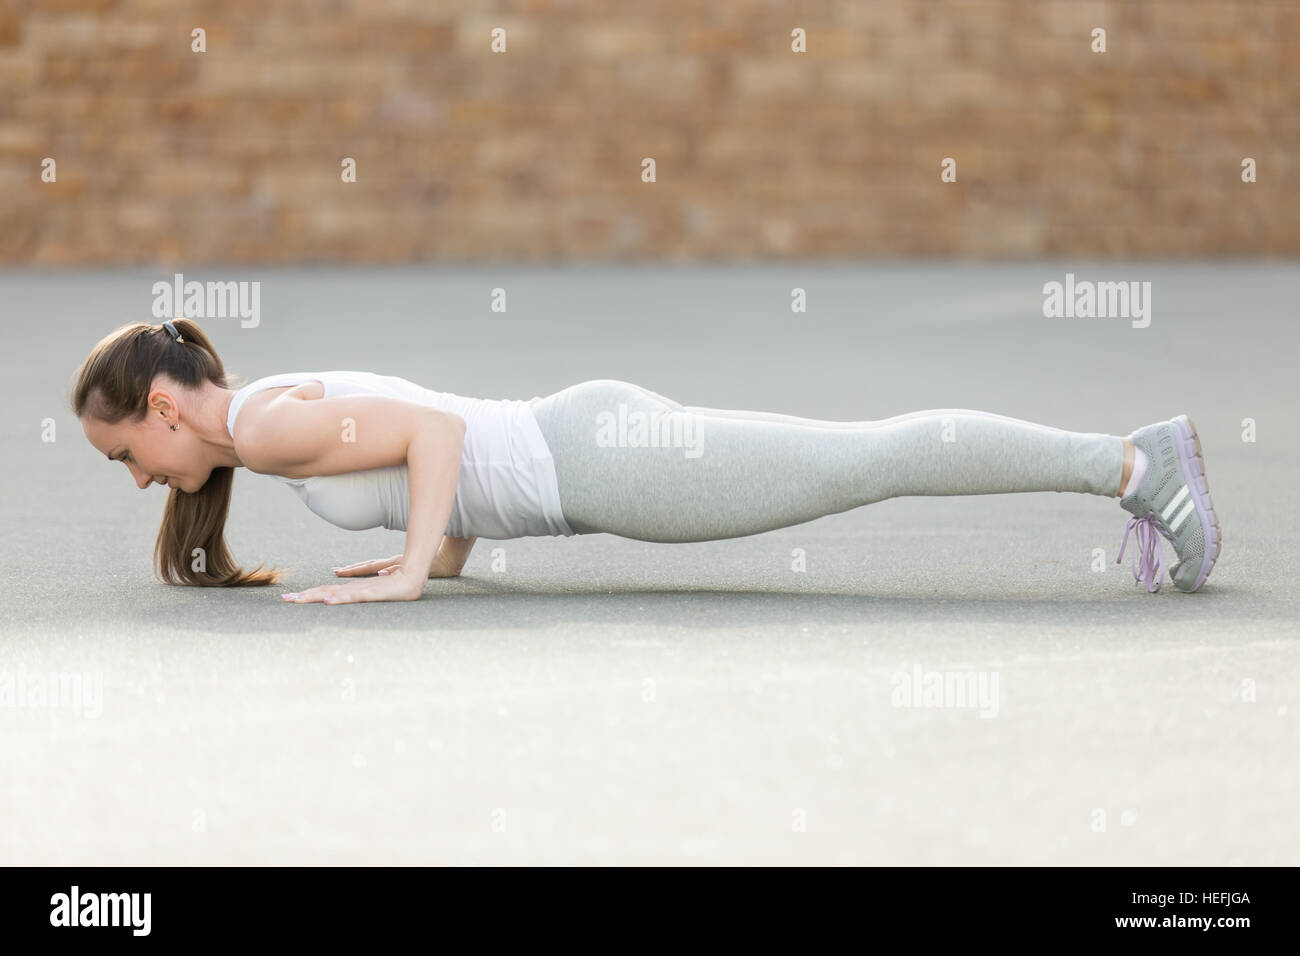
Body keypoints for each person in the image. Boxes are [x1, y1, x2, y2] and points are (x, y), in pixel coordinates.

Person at [71, 319, 1221, 605]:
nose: (133, 478)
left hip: (599, 463)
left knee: (867, 459)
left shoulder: (266, 427)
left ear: (164, 408)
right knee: (861, 459)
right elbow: (440, 427)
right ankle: (1128, 463)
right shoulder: (271, 416)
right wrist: (441, 554)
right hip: (586, 454)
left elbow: (440, 435)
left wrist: (417, 564)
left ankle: (1133, 464)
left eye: (123, 450)